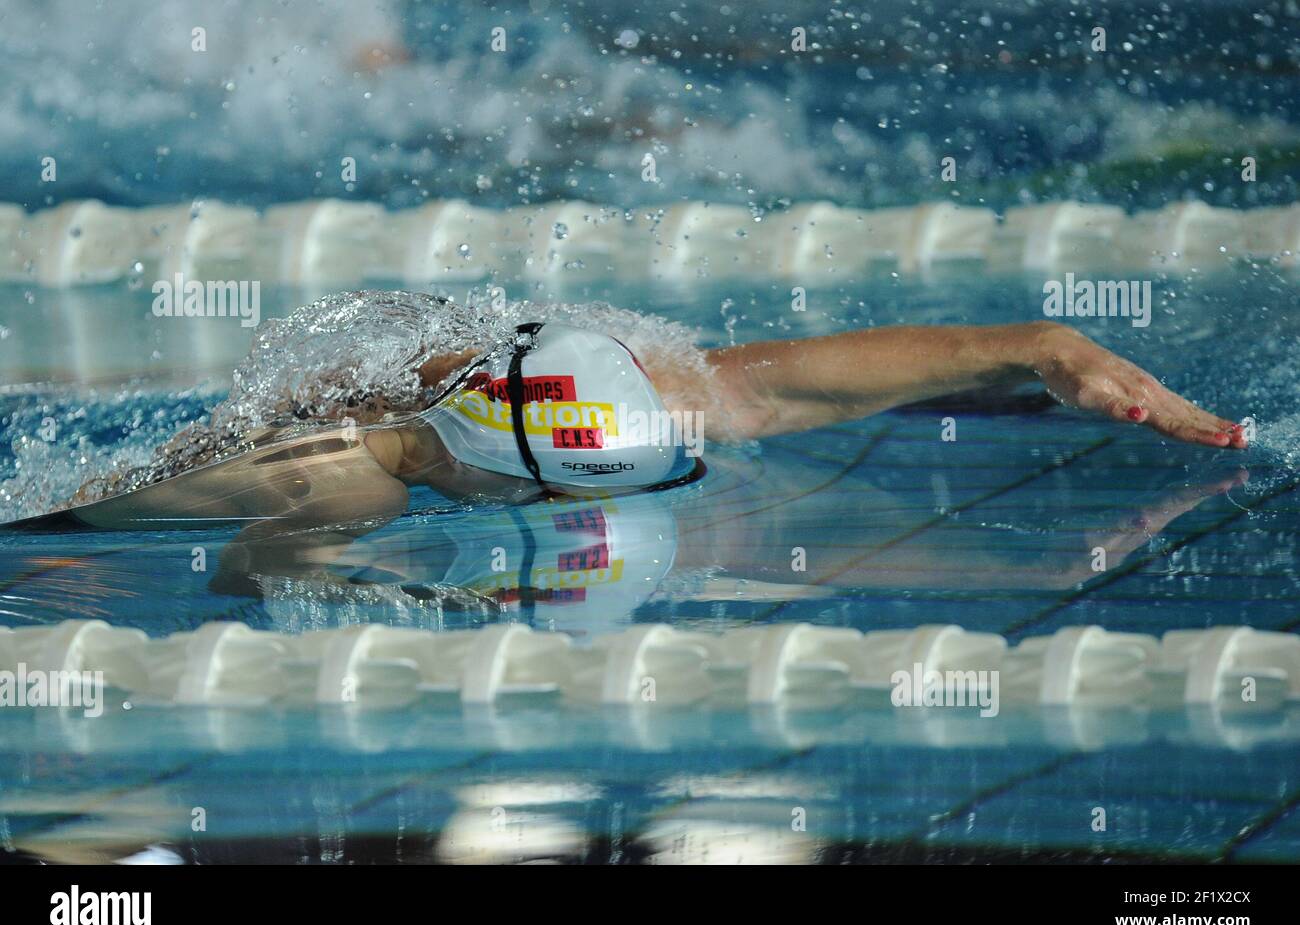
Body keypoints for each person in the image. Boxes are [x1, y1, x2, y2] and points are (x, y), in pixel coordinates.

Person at [11, 299, 1247, 534]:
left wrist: (1038, 347)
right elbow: (69, 539)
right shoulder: (346, 478)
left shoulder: (530, 384)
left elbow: (759, 388)